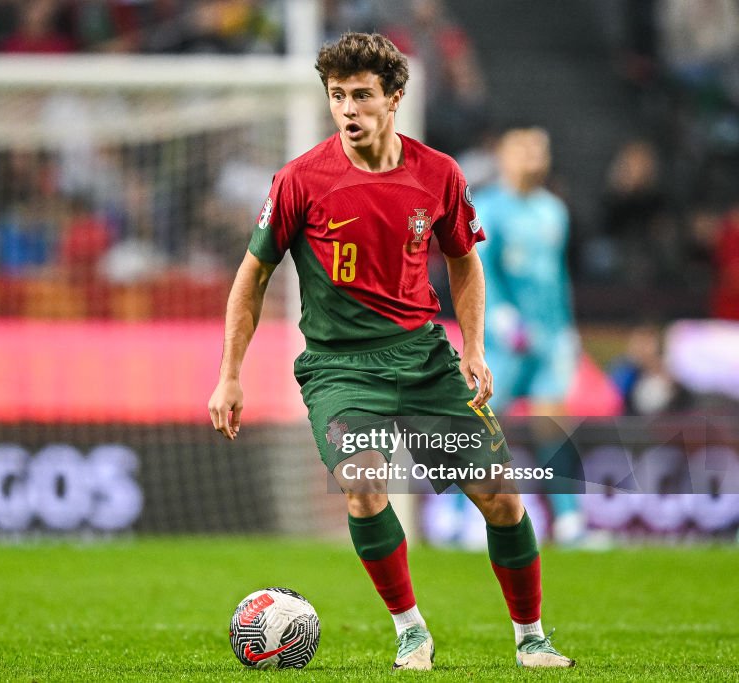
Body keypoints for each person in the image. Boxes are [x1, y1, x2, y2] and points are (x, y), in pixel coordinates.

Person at [207, 32, 574, 670]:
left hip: (425, 361)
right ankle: (410, 630)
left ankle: (532, 638)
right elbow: (252, 278)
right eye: (337, 96)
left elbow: (465, 263)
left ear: (395, 98)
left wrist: (474, 348)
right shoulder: (299, 180)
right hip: (339, 371)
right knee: (363, 482)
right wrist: (228, 375)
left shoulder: (439, 174)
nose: (348, 109)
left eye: (362, 95)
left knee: (503, 498)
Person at [473, 128, 585, 546]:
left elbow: (558, 278)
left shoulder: (554, 211)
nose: (534, 156)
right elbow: (480, 272)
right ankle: (461, 517)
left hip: (550, 338)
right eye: (523, 148)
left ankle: (571, 522)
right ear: (502, 154)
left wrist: (568, 330)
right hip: (504, 342)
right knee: (480, 428)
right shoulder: (487, 209)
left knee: (552, 425)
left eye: (540, 148)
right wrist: (501, 319)